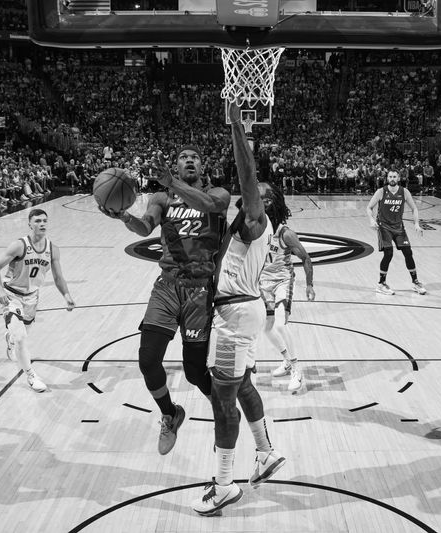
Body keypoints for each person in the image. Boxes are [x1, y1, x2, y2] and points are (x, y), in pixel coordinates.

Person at [102, 145, 230, 455]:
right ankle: (170, 413)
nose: (189, 159)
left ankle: (222, 408)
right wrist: (123, 216)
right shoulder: (161, 198)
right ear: (175, 164)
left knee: (195, 372)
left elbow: (210, 206)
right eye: (183, 156)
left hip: (200, 291)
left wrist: (172, 182)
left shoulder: (220, 194)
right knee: (147, 360)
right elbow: (144, 226)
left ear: (202, 165)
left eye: (195, 156)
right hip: (167, 286)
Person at [192, 102, 285, 516]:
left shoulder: (255, 222)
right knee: (243, 386)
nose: (254, 192)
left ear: (264, 206)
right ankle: (265, 453)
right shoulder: (241, 230)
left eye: (260, 195)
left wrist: (236, 127)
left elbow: (247, 179)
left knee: (222, 398)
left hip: (234, 318)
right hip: (241, 311)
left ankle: (225, 484)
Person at [0, 209, 75, 392]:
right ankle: (31, 375)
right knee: (21, 338)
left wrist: (66, 295)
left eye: (44, 220)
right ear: (30, 224)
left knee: (21, 334)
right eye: (37, 221)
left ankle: (9, 338)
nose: (42, 224)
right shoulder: (19, 245)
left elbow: (58, 277)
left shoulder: (53, 249)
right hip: (11, 294)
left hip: (32, 298)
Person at [260, 183, 315, 392]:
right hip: (263, 283)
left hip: (282, 281)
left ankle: (296, 370)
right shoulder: (258, 230)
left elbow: (306, 259)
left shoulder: (286, 234)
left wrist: (309, 285)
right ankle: (286, 360)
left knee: (281, 325)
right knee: (266, 327)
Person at [366, 170, 427, 296]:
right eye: (390, 176)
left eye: (394, 176)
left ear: (398, 178)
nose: (392, 178)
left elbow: (414, 208)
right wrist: (371, 219)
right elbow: (369, 207)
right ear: (387, 178)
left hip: (399, 227)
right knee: (388, 253)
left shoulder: (404, 192)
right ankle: (381, 284)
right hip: (384, 227)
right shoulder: (381, 191)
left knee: (408, 252)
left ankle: (415, 282)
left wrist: (416, 224)